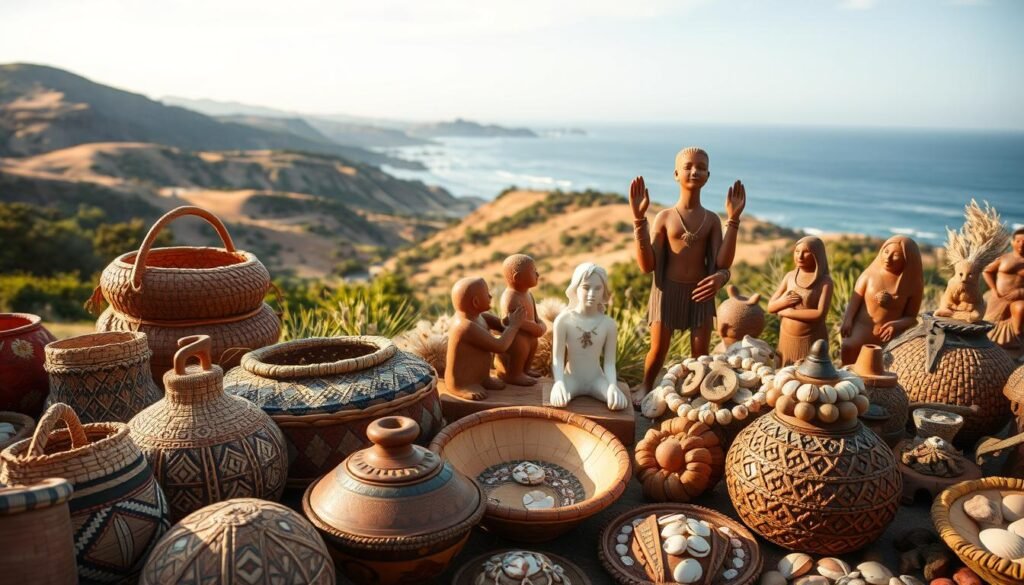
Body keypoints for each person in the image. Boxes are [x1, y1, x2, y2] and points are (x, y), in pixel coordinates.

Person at [629, 147, 746, 404]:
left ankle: (696, 392)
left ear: (708, 175)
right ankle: (646, 384)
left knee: (700, 352)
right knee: (658, 349)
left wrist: (733, 220)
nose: (695, 171)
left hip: (700, 292)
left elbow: (721, 262)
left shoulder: (712, 220)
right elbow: (647, 265)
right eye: (688, 166)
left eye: (701, 167)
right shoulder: (665, 217)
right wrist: (639, 220)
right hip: (666, 292)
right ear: (676, 174)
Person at [550, 263, 628, 411]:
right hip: (570, 380)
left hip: (597, 380)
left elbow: (609, 363)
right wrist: (558, 382)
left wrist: (612, 385)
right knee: (559, 403)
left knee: (618, 404)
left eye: (598, 288)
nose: (592, 294)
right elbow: (557, 358)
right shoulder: (563, 320)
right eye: (586, 287)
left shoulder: (608, 324)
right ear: (575, 288)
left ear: (604, 290)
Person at [840, 235, 924, 364]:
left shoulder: (913, 285)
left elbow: (912, 318)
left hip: (888, 336)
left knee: (886, 361)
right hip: (861, 328)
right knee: (848, 346)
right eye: (886, 252)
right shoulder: (869, 275)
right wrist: (848, 320)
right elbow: (854, 301)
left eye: (896, 255)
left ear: (907, 259)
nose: (888, 258)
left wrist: (895, 325)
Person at [444, 277, 524, 400]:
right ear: (475, 302)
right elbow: (500, 346)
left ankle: (482, 379)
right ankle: (462, 387)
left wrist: (510, 319)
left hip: (478, 373)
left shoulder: (480, 317)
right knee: (464, 381)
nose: (490, 296)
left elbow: (502, 325)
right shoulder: (465, 327)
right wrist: (514, 326)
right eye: (487, 294)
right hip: (462, 380)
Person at [768, 236, 833, 366]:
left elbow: (819, 313)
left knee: (808, 372)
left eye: (806, 252)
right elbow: (771, 307)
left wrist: (788, 312)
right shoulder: (790, 277)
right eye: (797, 251)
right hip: (786, 338)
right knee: (785, 371)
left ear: (817, 256)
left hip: (811, 339)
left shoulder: (825, 282)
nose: (800, 256)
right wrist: (784, 302)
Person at [497, 254, 546, 385]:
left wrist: (540, 324)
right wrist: (535, 328)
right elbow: (510, 321)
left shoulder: (528, 294)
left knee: (533, 343)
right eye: (533, 271)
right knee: (520, 345)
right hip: (515, 337)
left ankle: (525, 369)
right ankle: (514, 374)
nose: (537, 274)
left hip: (530, 335)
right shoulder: (510, 298)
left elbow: (535, 316)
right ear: (517, 277)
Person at [984, 227, 1024, 354]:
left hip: (1019, 299)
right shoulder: (1004, 258)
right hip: (999, 298)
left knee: (1020, 308)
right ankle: (990, 345)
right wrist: (994, 289)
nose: (1021, 244)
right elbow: (987, 271)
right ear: (1012, 242)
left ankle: (1017, 341)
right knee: (989, 322)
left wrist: (1020, 292)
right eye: (1018, 241)